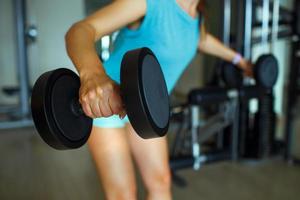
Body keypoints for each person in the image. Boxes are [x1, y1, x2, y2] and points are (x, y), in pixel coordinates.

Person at [65, 0, 252, 199]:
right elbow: (81, 30)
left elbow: (201, 40)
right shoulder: (150, 3)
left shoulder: (196, 17)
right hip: (107, 102)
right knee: (123, 194)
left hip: (146, 110)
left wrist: (239, 61)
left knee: (160, 183)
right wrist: (93, 75)